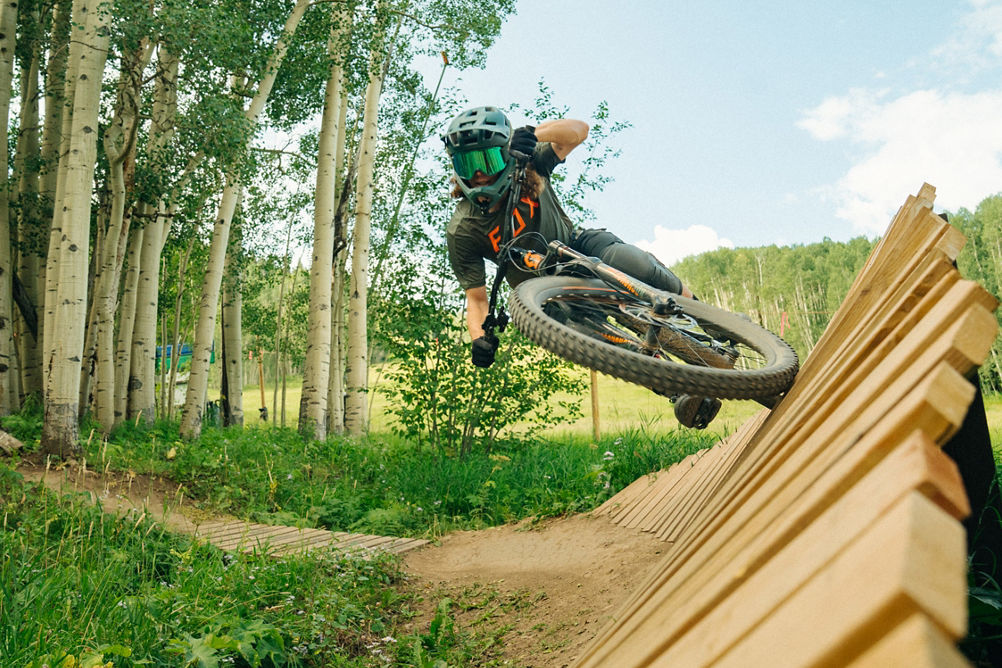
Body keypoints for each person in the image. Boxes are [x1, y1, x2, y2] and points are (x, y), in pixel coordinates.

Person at [442, 105, 720, 429]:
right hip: (541, 293)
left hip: (576, 246)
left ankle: (707, 316)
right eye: (468, 163)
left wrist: (533, 134)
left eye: (487, 160)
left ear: (506, 153)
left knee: (636, 264)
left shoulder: (527, 165)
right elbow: (476, 300)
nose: (479, 174)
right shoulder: (462, 229)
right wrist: (478, 338)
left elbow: (578, 131)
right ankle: (678, 389)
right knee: (584, 335)